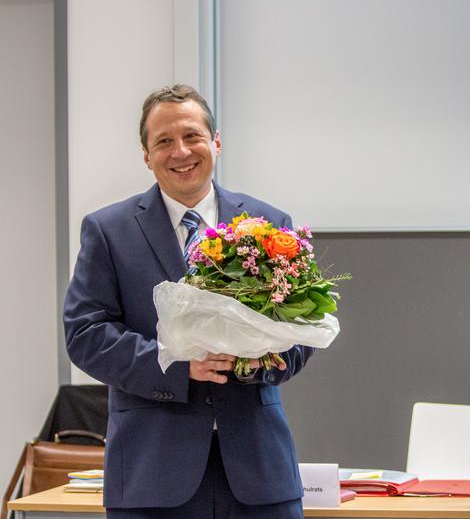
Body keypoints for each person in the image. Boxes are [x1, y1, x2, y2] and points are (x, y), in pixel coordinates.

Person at [64, 84, 312, 518]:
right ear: (146, 155)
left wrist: (268, 360)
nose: (181, 151)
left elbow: (305, 327)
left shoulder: (271, 223)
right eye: (163, 141)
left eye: (192, 136)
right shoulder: (108, 230)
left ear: (216, 141)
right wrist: (178, 365)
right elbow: (86, 334)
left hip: (259, 477)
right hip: (151, 477)